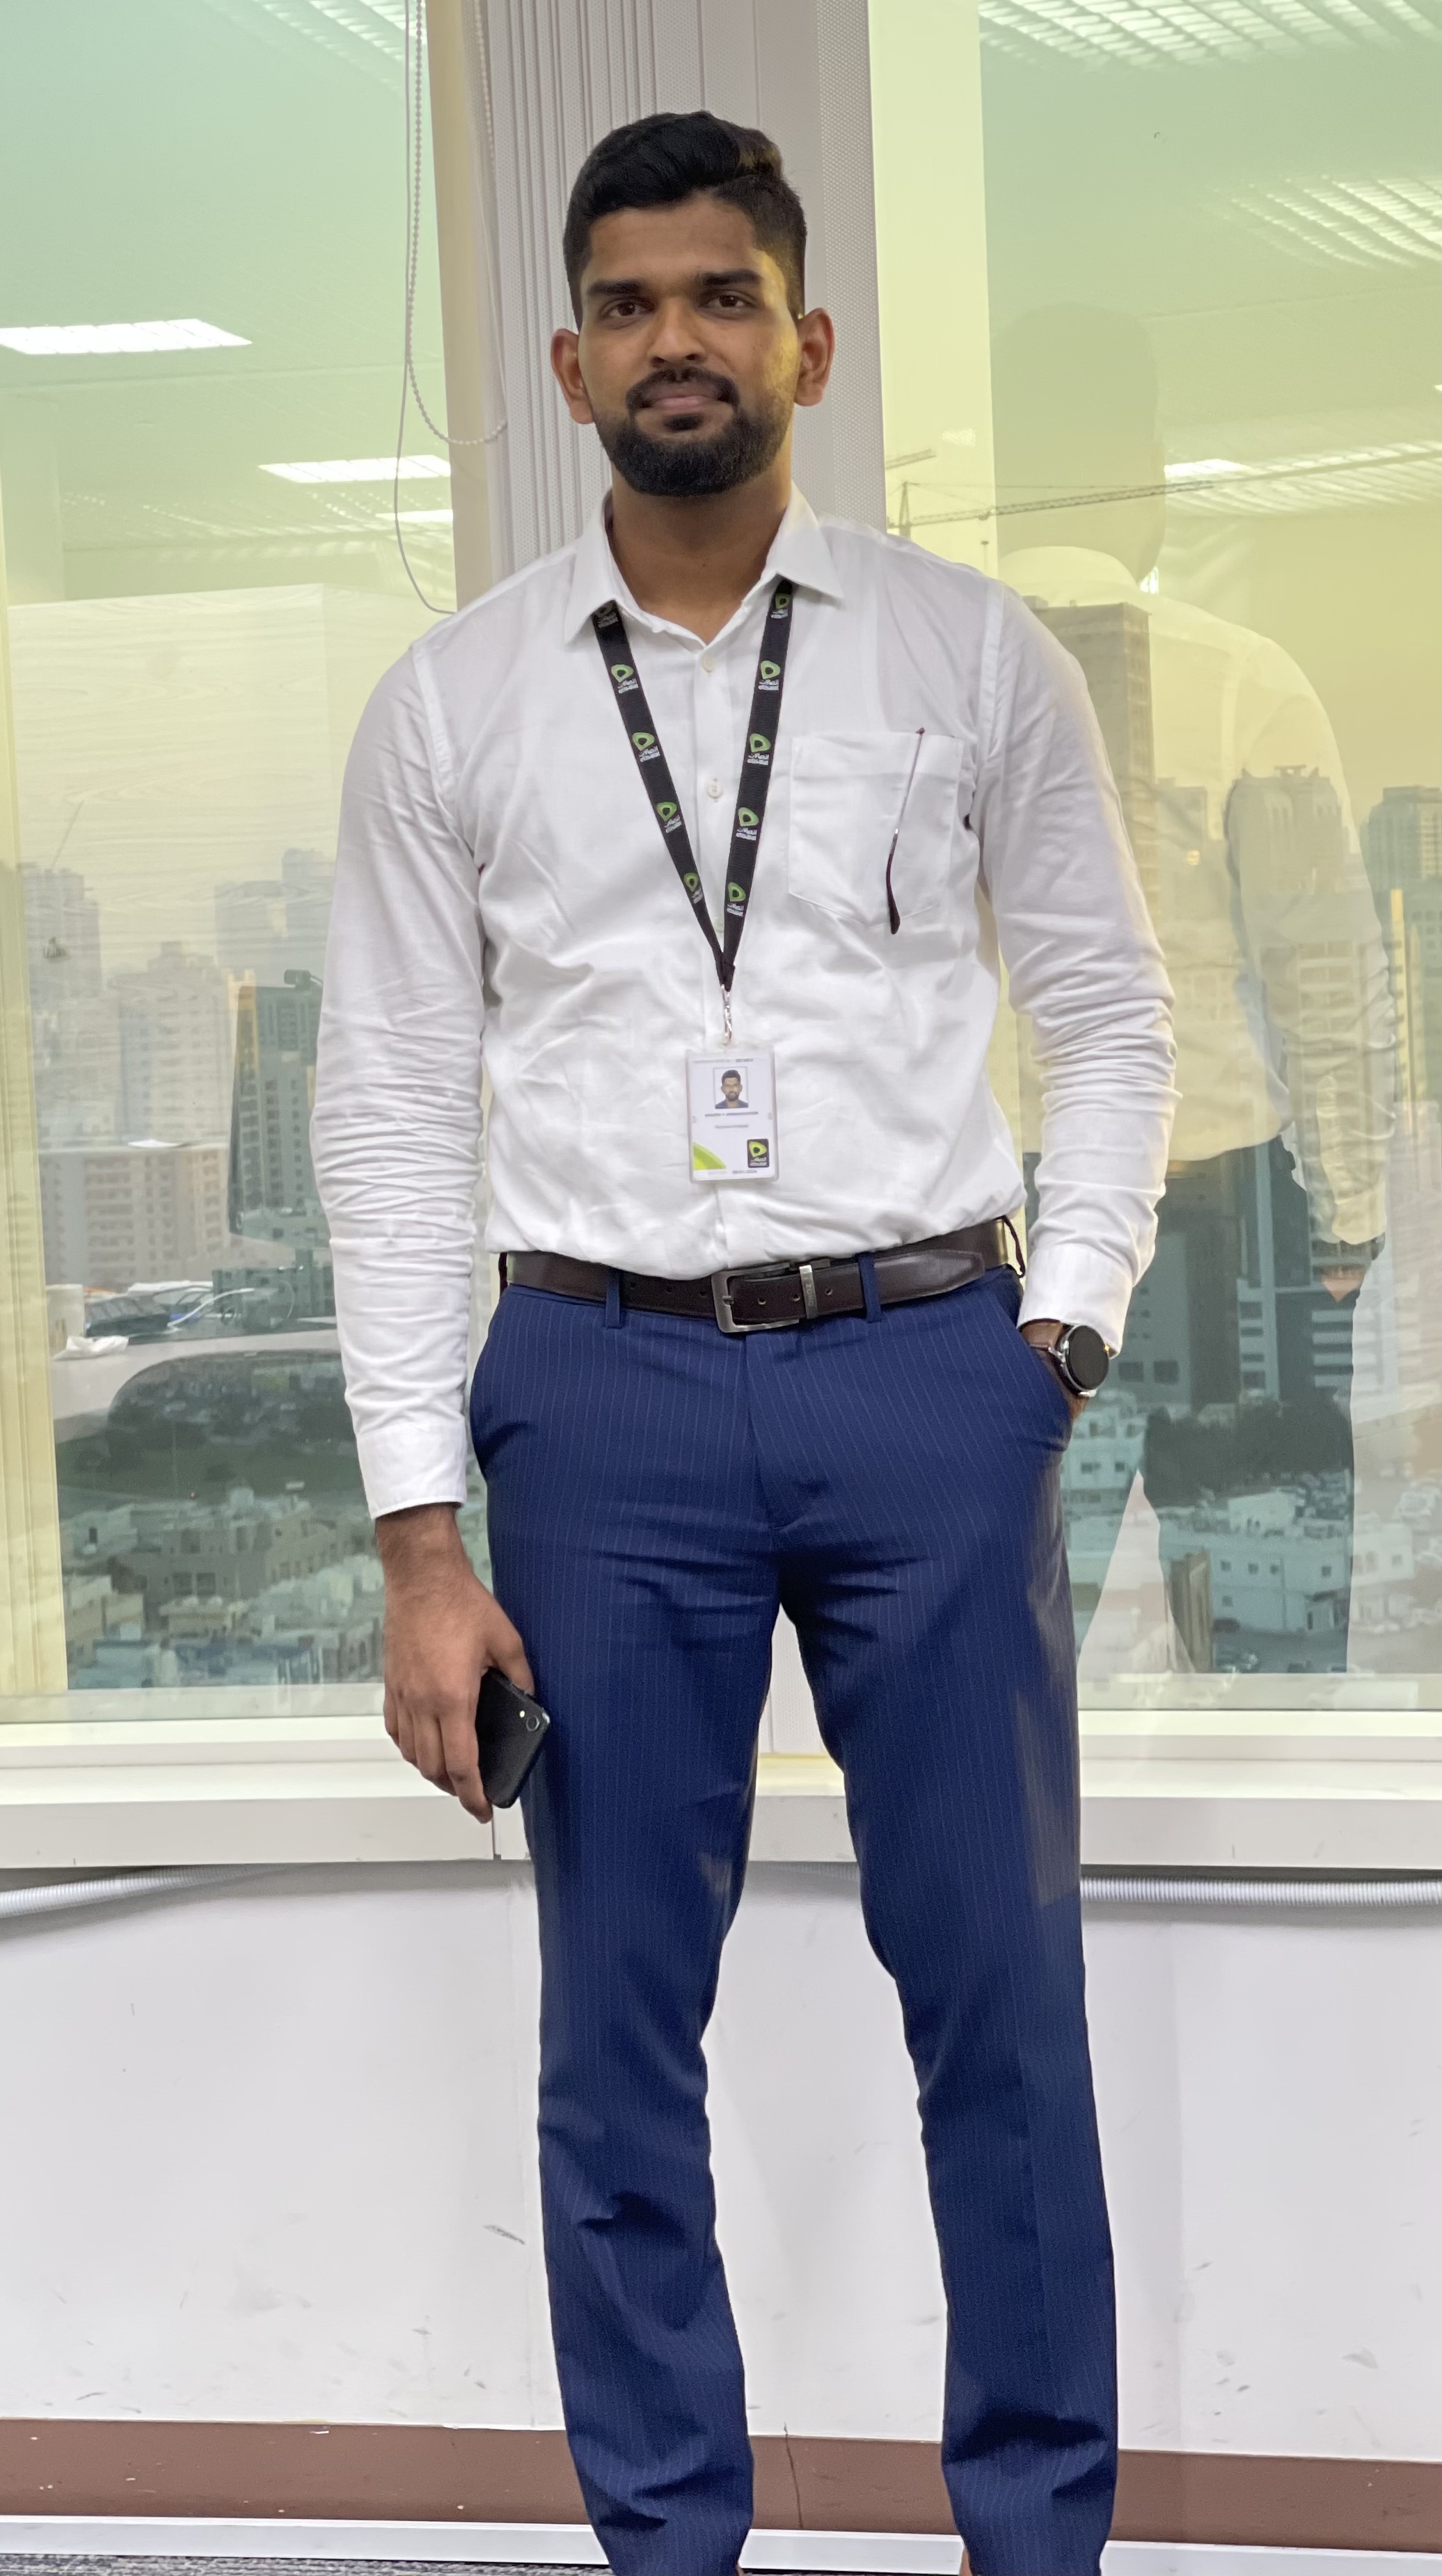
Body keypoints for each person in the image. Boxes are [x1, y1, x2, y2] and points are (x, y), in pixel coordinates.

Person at [312, 113, 1175, 2576]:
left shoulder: (966, 655)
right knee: (614, 2038)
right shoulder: (453, 702)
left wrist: (1058, 1330)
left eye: (720, 296)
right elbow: (389, 1114)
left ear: (807, 342)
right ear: (567, 357)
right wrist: (418, 1537)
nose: (673, 338)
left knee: (1001, 2009)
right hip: (597, 1400)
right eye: (628, 302)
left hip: (930, 1374)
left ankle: (1039, 2538)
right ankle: (668, 2540)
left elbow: (1113, 1016)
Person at [990, 306, 1393, 1671]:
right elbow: (1323, 972)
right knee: (1270, 1614)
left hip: (991, 1229)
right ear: (1145, 473)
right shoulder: (1241, 681)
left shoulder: (922, 688)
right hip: (1219, 1213)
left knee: (1008, 1632)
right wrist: (1347, 1216)